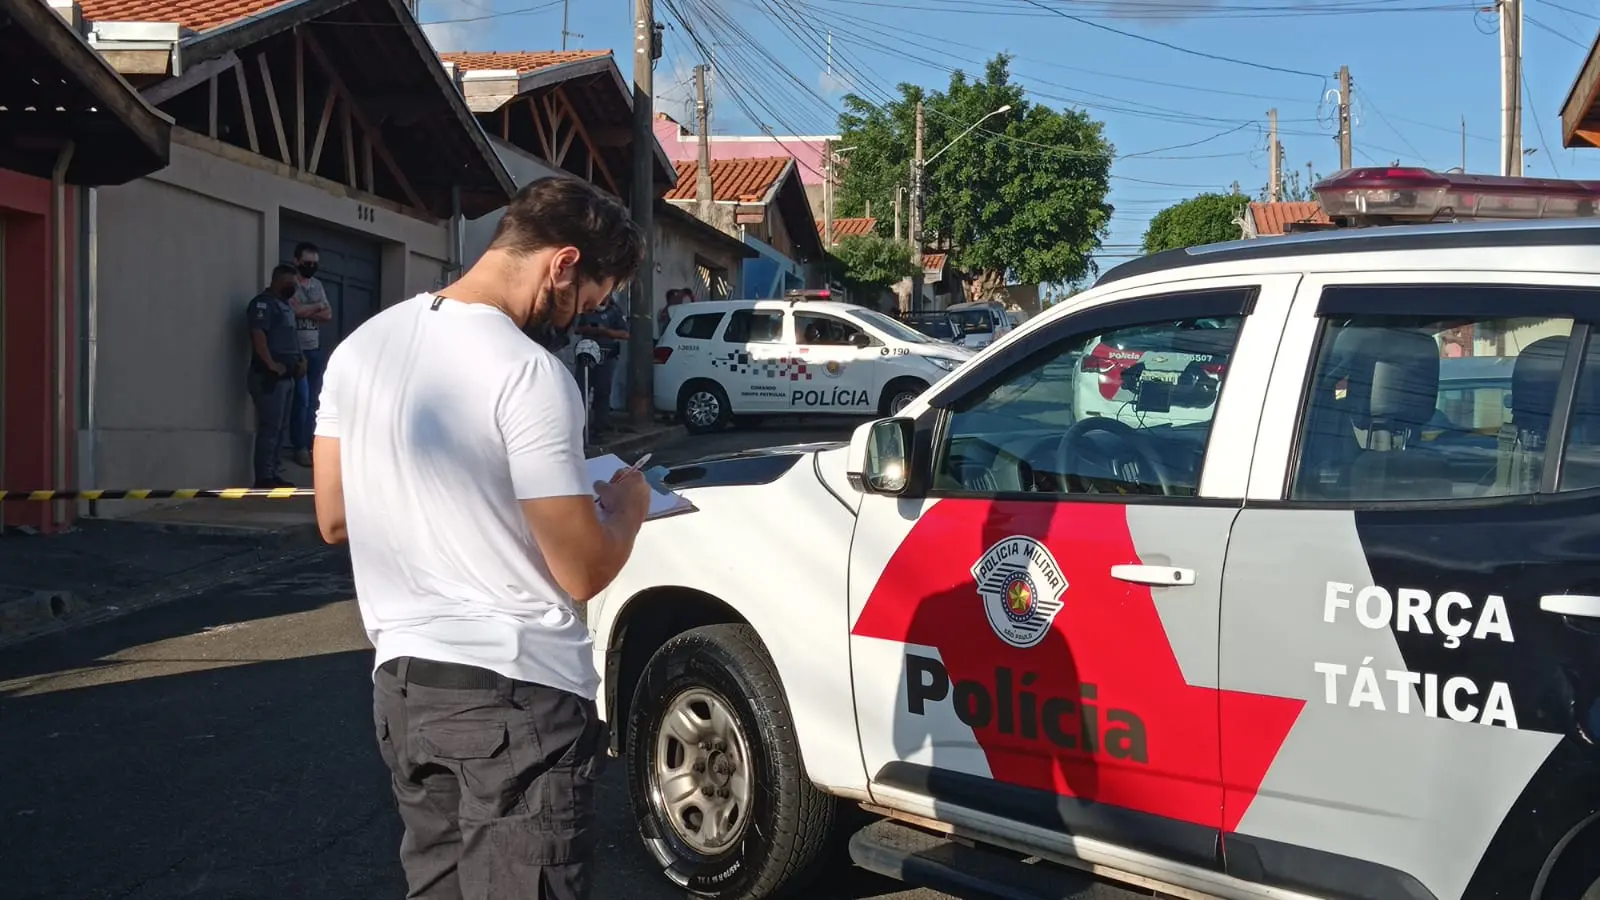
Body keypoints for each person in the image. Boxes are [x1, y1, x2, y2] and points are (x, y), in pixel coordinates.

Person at [310, 176, 652, 900]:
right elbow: (583, 570)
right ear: (563, 262)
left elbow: (334, 518)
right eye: (590, 296)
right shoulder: (528, 372)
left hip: (405, 687)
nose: (584, 316)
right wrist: (627, 507)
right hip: (515, 692)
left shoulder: (359, 349)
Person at [246, 265, 305, 489]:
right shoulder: (262, 304)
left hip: (288, 376)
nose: (294, 288)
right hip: (268, 377)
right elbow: (258, 335)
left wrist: (301, 360)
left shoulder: (285, 306)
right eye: (290, 283)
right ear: (278, 281)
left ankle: (274, 472)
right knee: (270, 428)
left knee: (281, 428)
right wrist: (271, 364)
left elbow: (292, 337)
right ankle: (264, 478)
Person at [288, 241, 334, 468]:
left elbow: (328, 314)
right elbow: (293, 310)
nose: (311, 267)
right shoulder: (290, 283)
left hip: (314, 348)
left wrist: (308, 308)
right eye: (307, 263)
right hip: (296, 350)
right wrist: (316, 307)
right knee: (301, 399)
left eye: (315, 264)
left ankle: (309, 445)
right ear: (296, 261)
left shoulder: (316, 284)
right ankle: (298, 446)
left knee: (315, 400)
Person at [573, 291, 629, 435]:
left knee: (603, 392)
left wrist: (605, 331)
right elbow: (576, 329)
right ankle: (580, 427)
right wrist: (588, 329)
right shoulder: (586, 309)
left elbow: (625, 334)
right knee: (581, 390)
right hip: (587, 357)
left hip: (607, 357)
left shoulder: (615, 311)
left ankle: (600, 426)